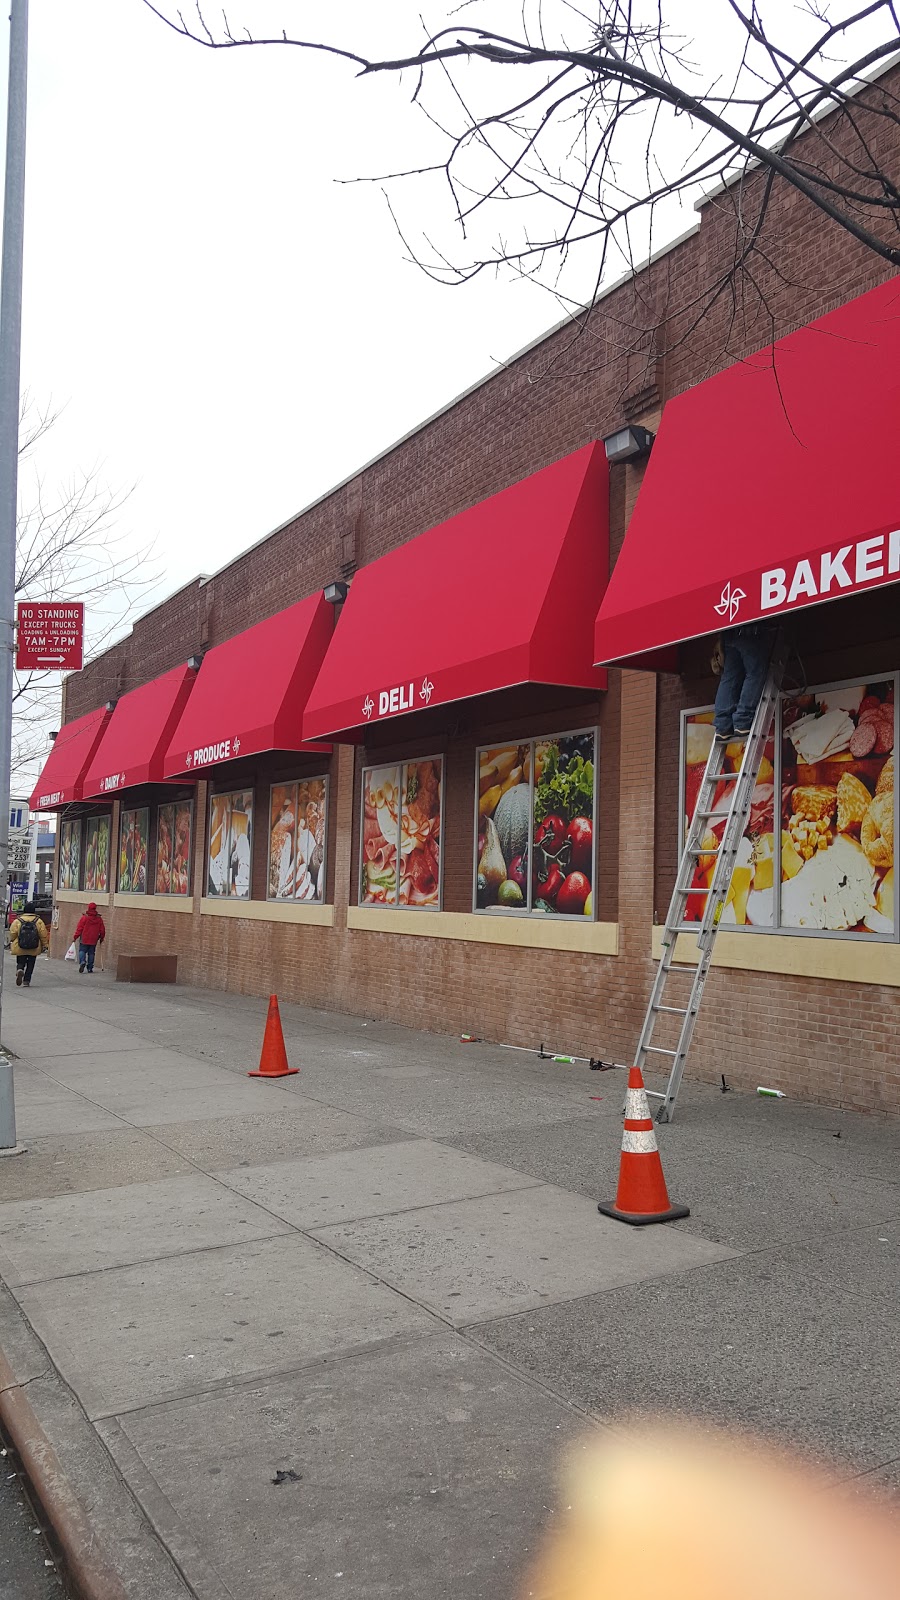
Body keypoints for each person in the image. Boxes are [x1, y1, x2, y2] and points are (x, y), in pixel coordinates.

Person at [713, 622, 775, 738]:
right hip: (749, 629)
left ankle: (723, 726)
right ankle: (743, 720)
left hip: (729, 630)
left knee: (729, 677)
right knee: (755, 672)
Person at [10, 901, 50, 987]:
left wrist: (12, 940)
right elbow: (43, 934)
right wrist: (45, 945)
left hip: (20, 946)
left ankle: (20, 969)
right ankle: (26, 981)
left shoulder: (18, 921)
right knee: (31, 964)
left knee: (20, 960)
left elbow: (13, 933)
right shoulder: (38, 921)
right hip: (34, 946)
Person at [73, 901, 106, 973]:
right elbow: (102, 930)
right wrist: (101, 937)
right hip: (94, 939)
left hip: (84, 938)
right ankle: (90, 968)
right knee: (91, 953)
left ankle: (82, 962)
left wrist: (75, 937)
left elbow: (79, 928)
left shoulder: (85, 917)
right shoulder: (99, 918)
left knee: (82, 950)